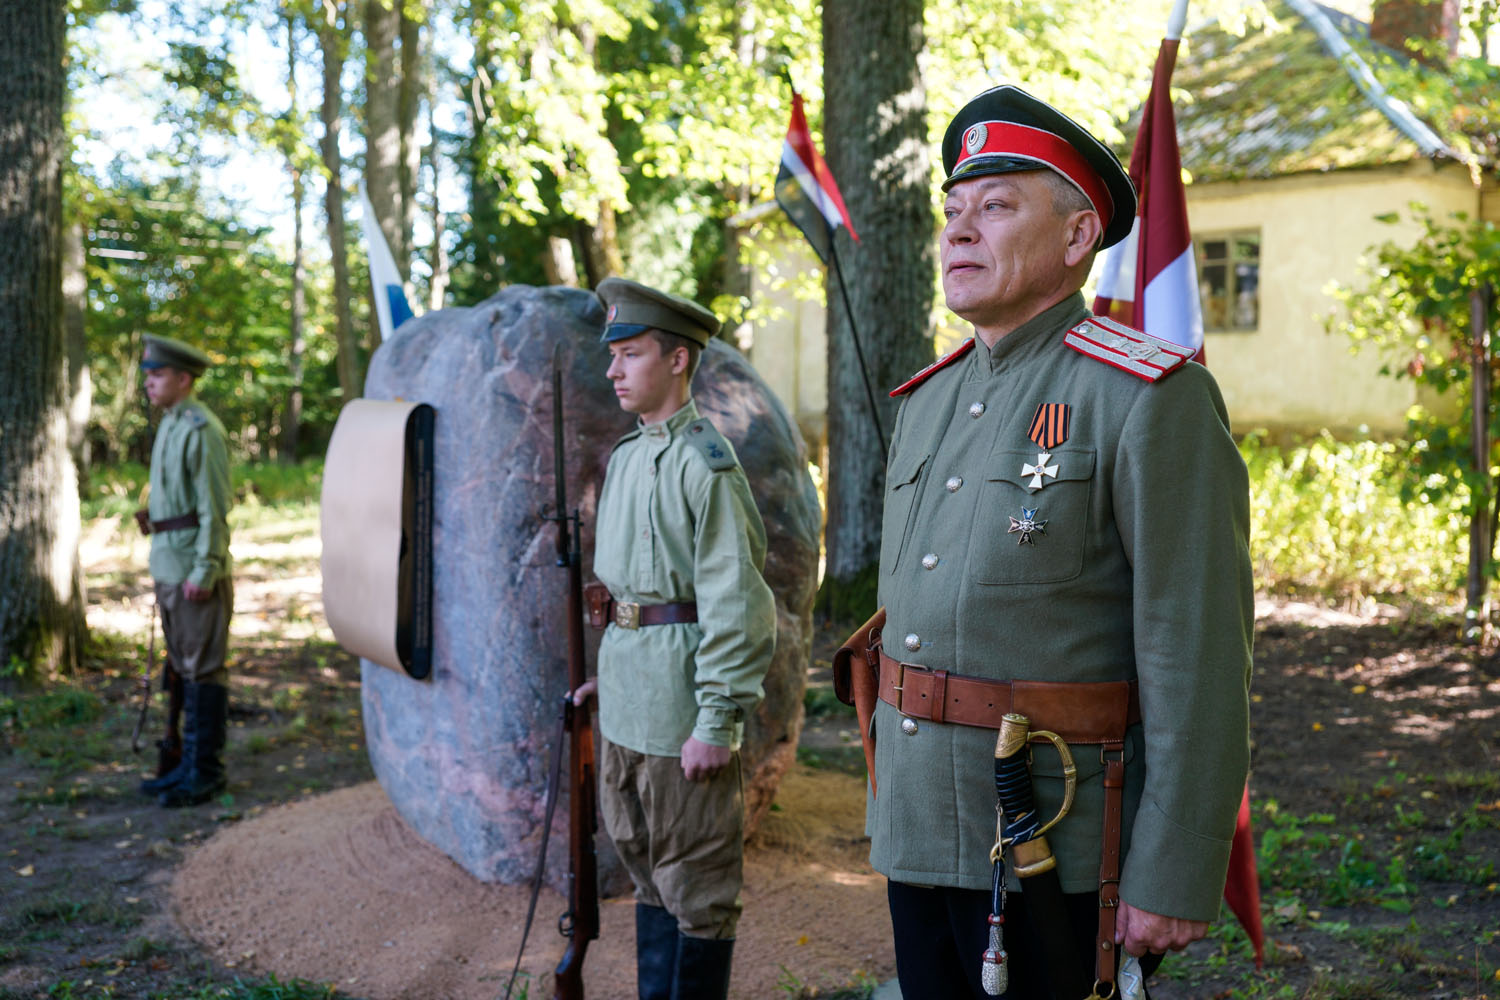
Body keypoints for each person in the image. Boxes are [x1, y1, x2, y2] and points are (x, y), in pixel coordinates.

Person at [865, 85, 1253, 998]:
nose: (960, 229)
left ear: (1078, 238)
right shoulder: (924, 405)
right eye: (955, 210)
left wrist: (1173, 870)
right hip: (922, 828)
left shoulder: (1148, 400)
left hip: (1061, 845)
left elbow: (1197, 657)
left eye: (996, 207)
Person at [570, 278, 776, 1000]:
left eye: (630, 355)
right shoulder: (627, 459)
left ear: (679, 360)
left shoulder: (704, 465)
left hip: (681, 715)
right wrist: (609, 680)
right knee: (647, 874)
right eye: (614, 355)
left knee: (696, 885)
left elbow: (736, 603)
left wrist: (716, 720)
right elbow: (634, 600)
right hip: (630, 705)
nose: (613, 370)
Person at [135, 334, 234, 809]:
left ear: (183, 379)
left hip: (193, 569)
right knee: (181, 670)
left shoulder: (201, 429)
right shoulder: (170, 424)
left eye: (157, 375)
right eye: (148, 376)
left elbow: (214, 507)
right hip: (169, 563)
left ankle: (205, 772)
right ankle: (181, 767)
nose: (149, 383)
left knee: (202, 669)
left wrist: (206, 568)